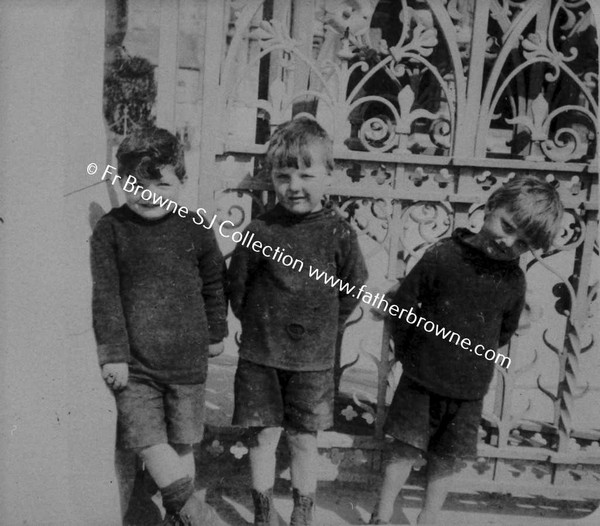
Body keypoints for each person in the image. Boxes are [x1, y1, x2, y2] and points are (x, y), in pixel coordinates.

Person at [370, 175, 564, 525]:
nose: (508, 241)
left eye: (522, 243)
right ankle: (383, 513)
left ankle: (428, 517)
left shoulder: (512, 281)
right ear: (491, 205)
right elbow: (404, 306)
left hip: (469, 390)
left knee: (447, 458)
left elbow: (503, 331)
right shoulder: (443, 255)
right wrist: (413, 353)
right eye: (507, 225)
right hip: (421, 378)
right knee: (403, 448)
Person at [227, 117, 368, 526]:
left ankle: (302, 513)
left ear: (329, 176)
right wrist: (257, 324)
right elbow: (239, 285)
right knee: (263, 436)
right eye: (284, 175)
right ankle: (263, 512)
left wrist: (327, 324)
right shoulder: (260, 229)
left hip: (312, 360)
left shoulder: (339, 233)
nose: (294, 186)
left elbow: (354, 282)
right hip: (261, 356)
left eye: (306, 175)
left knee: (304, 440)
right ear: (271, 176)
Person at [91, 127, 228, 526]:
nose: (148, 194)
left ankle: (178, 520)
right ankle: (199, 519)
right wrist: (114, 356)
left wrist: (216, 332)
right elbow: (106, 297)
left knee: (182, 447)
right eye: (136, 183)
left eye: (161, 183)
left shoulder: (196, 226)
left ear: (182, 183)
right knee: (149, 443)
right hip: (136, 369)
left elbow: (214, 281)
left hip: (187, 365)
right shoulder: (111, 231)